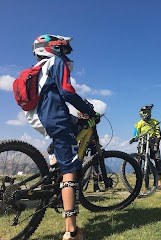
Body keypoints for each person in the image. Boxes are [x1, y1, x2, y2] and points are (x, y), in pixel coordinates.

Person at [26, 34, 100, 240]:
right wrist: (88, 110)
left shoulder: (41, 68)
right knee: (71, 170)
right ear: (54, 48)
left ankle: (54, 162)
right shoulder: (56, 62)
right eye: (64, 49)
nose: (66, 54)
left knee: (73, 129)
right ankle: (72, 232)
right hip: (55, 118)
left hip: (44, 117)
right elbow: (67, 92)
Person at [129, 104, 161, 190]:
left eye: (148, 112)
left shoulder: (155, 122)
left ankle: (159, 182)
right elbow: (136, 134)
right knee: (139, 158)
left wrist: (156, 143)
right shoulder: (138, 124)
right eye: (144, 112)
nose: (146, 114)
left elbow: (158, 134)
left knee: (158, 159)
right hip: (143, 141)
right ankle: (138, 178)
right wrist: (134, 138)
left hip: (153, 141)